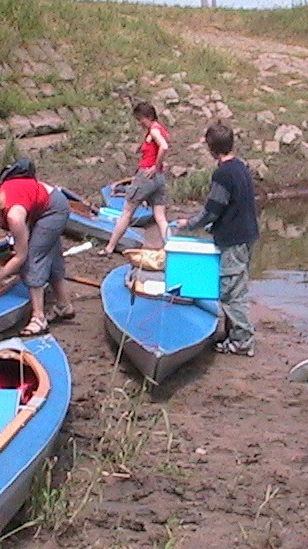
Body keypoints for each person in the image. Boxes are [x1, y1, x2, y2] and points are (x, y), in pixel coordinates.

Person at [169, 123, 260, 357]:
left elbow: (212, 209)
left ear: (211, 148)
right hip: (247, 235)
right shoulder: (241, 167)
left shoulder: (223, 173)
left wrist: (188, 224)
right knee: (237, 285)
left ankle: (242, 342)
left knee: (231, 292)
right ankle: (233, 334)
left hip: (234, 239)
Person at [0, 166, 74, 337]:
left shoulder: (14, 217)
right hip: (35, 202)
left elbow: (22, 256)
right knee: (49, 253)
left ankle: (38, 318)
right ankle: (64, 306)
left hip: (54, 207)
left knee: (35, 257)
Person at [101, 101, 171, 256]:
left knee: (127, 211)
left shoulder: (153, 130)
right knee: (160, 216)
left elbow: (163, 146)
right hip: (159, 178)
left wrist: (155, 165)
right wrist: (159, 165)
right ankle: (170, 247)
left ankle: (110, 247)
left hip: (147, 174)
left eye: (141, 119)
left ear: (148, 116)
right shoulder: (161, 128)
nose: (140, 122)